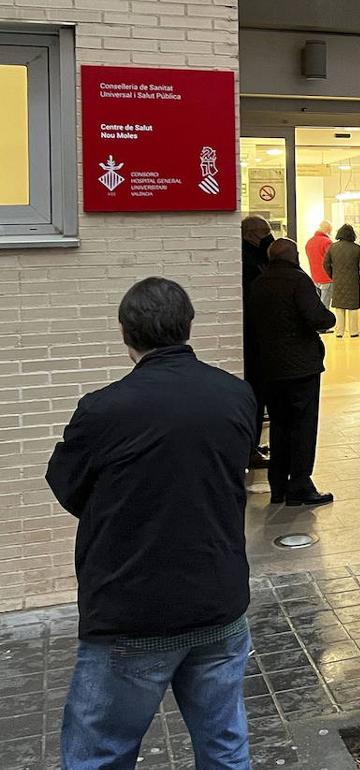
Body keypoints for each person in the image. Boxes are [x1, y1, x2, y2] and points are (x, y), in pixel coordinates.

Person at [46, 277, 256, 769]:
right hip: (219, 603)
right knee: (225, 748)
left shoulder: (102, 410)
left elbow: (68, 488)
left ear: (126, 335)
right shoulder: (236, 395)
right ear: (188, 327)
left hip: (132, 612)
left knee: (99, 755)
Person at [249, 238, 337, 507]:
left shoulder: (259, 283)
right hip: (301, 367)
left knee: (279, 424)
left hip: (270, 367)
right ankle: (300, 484)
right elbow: (318, 317)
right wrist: (329, 319)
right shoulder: (298, 281)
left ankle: (277, 486)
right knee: (303, 426)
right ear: (293, 256)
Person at [241, 215, 273, 470]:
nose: (269, 237)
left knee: (259, 392)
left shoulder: (258, 257)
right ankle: (249, 449)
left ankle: (253, 444)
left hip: (260, 336)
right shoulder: (247, 260)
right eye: (266, 232)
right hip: (252, 337)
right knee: (254, 391)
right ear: (252, 233)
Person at [324, 223, 360, 338]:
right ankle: (353, 331)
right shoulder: (357, 248)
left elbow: (325, 263)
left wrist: (332, 275)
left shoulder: (333, 247)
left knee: (339, 307)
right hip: (353, 281)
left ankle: (339, 332)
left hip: (338, 280)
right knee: (353, 307)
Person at [305, 219, 334, 313]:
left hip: (315, 277)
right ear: (328, 230)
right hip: (327, 277)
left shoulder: (309, 242)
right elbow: (332, 260)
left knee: (318, 304)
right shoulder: (327, 242)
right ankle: (323, 326)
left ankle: (318, 324)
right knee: (325, 305)